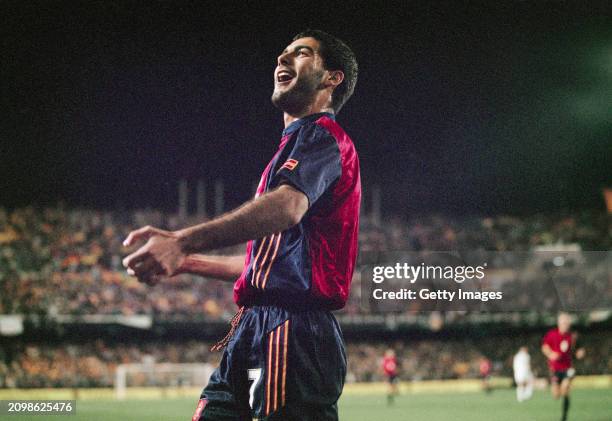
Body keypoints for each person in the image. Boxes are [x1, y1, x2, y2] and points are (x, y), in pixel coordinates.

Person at [122, 29, 359, 421]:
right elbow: (263, 265)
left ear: (332, 78)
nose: (282, 60)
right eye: (281, 54)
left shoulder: (322, 136)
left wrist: (182, 240)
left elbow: (287, 208)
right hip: (254, 323)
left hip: (292, 327)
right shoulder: (290, 151)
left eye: (300, 54)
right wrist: (188, 262)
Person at [541, 312, 586, 421]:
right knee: (556, 395)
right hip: (554, 369)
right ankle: (562, 391)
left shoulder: (573, 336)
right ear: (559, 323)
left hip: (568, 368)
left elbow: (579, 349)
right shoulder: (552, 334)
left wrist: (580, 353)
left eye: (567, 322)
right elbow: (544, 347)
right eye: (563, 322)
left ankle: (564, 416)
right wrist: (551, 354)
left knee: (565, 388)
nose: (566, 324)